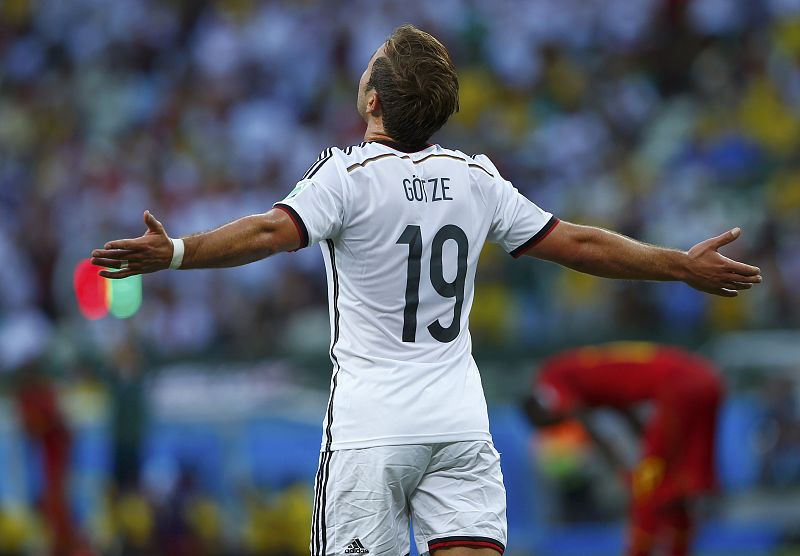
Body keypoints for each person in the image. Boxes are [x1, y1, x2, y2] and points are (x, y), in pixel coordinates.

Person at [90, 24, 761, 556]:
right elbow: (579, 244)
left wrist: (176, 252)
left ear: (373, 100)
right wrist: (678, 264)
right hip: (458, 426)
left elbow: (270, 232)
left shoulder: (345, 176)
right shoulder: (476, 179)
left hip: (371, 430)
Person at [521, 342, 724, 556]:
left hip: (679, 388)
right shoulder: (593, 376)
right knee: (676, 487)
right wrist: (646, 450)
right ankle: (679, 550)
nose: (559, 426)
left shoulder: (551, 375)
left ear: (542, 411)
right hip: (707, 380)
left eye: (551, 425)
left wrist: (622, 468)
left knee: (647, 485)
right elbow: (628, 415)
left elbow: (582, 418)